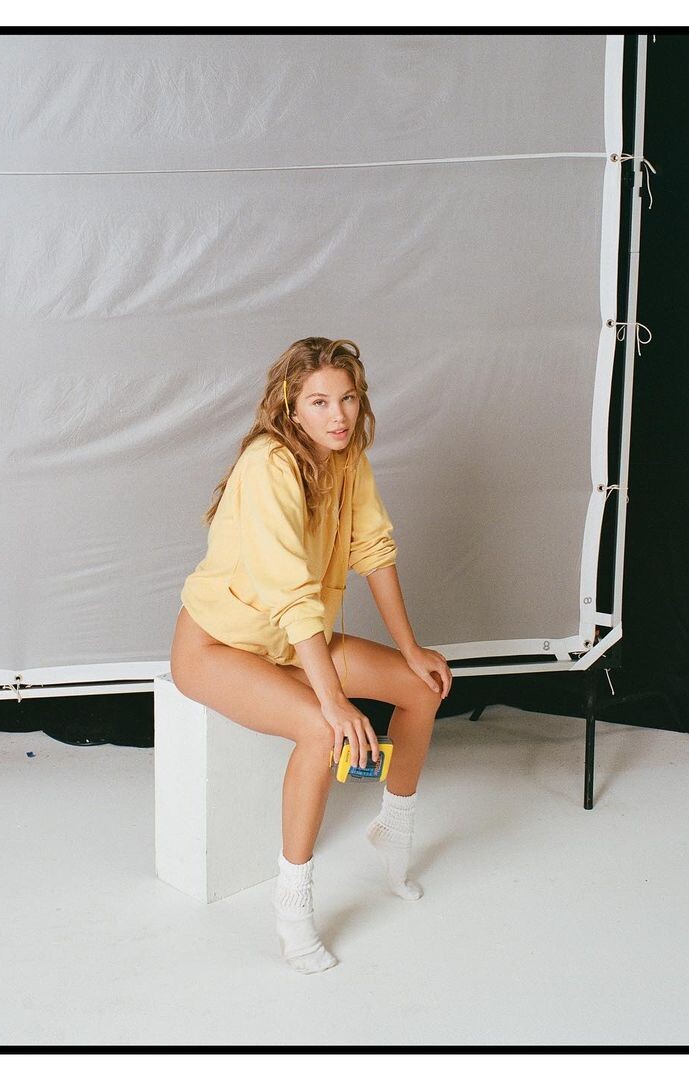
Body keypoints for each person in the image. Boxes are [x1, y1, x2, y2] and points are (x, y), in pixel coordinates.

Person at [169, 337, 452, 974]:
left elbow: (373, 549)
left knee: (422, 688)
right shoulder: (268, 465)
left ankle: (394, 830)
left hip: (297, 642)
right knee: (324, 730)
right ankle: (292, 907)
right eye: (320, 401)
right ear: (290, 405)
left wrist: (411, 649)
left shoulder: (347, 456)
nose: (338, 415)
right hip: (217, 645)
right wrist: (334, 700)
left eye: (347, 398)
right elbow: (292, 595)